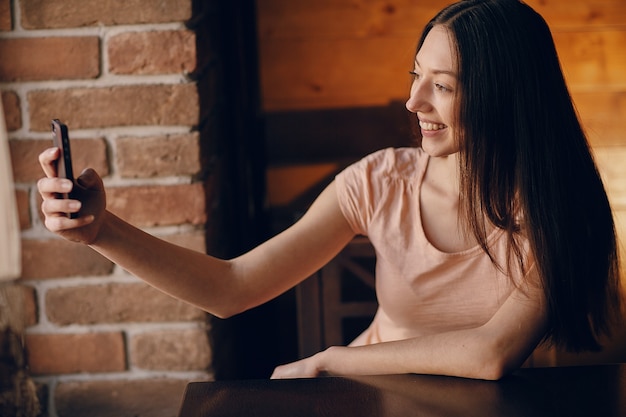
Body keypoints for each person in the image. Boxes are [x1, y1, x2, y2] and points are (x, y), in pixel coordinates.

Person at [37, 0, 621, 380]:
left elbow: (492, 354)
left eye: (441, 86)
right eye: (415, 75)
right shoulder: (378, 182)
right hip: (377, 403)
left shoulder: (555, 205)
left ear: (505, 99)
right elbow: (232, 287)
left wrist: (335, 360)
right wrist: (102, 231)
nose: (414, 102)